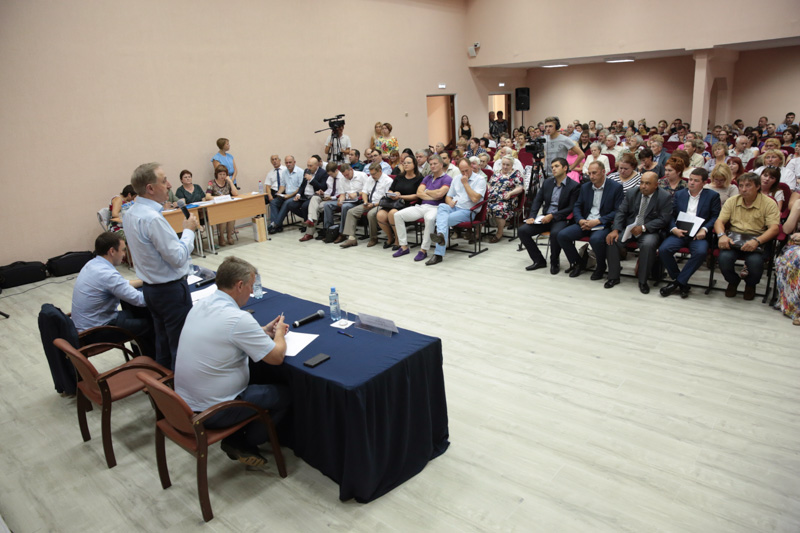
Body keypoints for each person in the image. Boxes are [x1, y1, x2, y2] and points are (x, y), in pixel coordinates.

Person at [174, 256, 289, 466]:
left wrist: (262, 331)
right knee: (283, 395)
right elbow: (276, 357)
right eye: (251, 286)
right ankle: (242, 442)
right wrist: (279, 333)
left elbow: (225, 335)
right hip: (213, 411)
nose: (252, 292)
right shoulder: (238, 318)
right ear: (239, 285)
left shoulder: (201, 304)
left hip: (184, 404)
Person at [122, 162, 199, 369]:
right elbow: (178, 258)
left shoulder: (130, 213)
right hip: (170, 291)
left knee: (163, 343)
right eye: (164, 181)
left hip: (151, 289)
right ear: (150, 188)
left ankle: (162, 384)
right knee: (180, 346)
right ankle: (179, 387)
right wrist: (188, 230)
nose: (169, 185)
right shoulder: (152, 219)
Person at [71, 232, 155, 357]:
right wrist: (164, 293)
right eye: (123, 250)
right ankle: (153, 361)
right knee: (150, 325)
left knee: (138, 313)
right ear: (112, 251)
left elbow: (121, 285)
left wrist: (145, 281)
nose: (124, 254)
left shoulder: (92, 264)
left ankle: (142, 355)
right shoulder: (107, 274)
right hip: (95, 332)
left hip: (86, 326)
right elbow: (140, 300)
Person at [714, 172, 781, 300]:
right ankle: (733, 281)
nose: (743, 189)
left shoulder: (769, 203)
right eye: (741, 186)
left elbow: (774, 229)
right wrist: (722, 235)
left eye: (748, 185)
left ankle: (750, 284)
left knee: (755, 263)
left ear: (758, 186)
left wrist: (757, 241)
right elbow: (719, 222)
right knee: (723, 259)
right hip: (734, 239)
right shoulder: (732, 200)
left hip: (757, 240)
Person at [604, 171, 673, 293]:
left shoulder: (664, 197)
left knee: (648, 244)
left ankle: (643, 281)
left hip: (649, 231)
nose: (643, 186)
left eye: (647, 183)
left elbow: (664, 219)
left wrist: (643, 228)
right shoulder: (632, 193)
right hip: (630, 228)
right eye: (641, 183)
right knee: (612, 240)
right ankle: (613, 277)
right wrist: (615, 229)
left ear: (656, 185)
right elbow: (621, 212)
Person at [658, 168, 721, 298]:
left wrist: (705, 229)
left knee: (701, 252)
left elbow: (715, 217)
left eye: (696, 181)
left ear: (704, 183)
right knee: (664, 249)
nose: (691, 183)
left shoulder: (712, 196)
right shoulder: (680, 194)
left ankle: (677, 283)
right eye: (690, 179)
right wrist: (673, 229)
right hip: (680, 232)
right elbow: (671, 214)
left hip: (699, 234)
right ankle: (682, 283)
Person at [557, 161, 623, 280]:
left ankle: (601, 266)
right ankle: (579, 263)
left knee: (596, 239)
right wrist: (580, 220)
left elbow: (617, 211)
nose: (591, 176)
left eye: (594, 173)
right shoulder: (585, 187)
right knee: (562, 235)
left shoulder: (615, 187)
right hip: (586, 221)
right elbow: (577, 206)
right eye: (589, 173)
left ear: (603, 172)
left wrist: (598, 221)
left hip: (603, 224)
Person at [518, 158, 580, 274]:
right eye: (552, 167)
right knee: (522, 231)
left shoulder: (574, 186)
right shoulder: (547, 182)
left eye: (556, 166)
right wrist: (532, 216)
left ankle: (554, 261)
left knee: (555, 233)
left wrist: (553, 215)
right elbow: (538, 200)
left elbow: (571, 207)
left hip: (561, 218)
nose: (553, 169)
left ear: (565, 168)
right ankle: (539, 260)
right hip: (545, 217)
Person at [426, 159, 487, 266]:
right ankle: (440, 236)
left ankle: (438, 253)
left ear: (471, 167)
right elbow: (448, 197)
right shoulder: (456, 178)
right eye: (462, 171)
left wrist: (465, 183)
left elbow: (475, 199)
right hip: (454, 207)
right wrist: (450, 202)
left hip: (468, 211)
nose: (464, 173)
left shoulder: (480, 180)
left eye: (466, 170)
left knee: (443, 221)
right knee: (442, 206)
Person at [392, 154, 452, 261]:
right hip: (422, 206)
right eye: (431, 164)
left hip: (437, 207)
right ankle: (404, 246)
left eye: (435, 164)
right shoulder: (427, 178)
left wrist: (427, 191)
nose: (432, 166)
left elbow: (440, 194)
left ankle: (423, 250)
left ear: (441, 164)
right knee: (397, 215)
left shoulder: (447, 178)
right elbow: (419, 193)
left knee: (429, 219)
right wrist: (432, 194)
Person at [339, 163, 393, 248]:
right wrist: (365, 201)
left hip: (381, 204)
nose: (372, 176)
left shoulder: (388, 181)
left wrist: (374, 204)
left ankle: (373, 238)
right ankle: (351, 238)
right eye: (371, 174)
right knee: (351, 212)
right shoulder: (370, 178)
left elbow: (387, 198)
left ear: (380, 171)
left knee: (371, 214)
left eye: (374, 174)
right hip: (369, 202)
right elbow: (364, 192)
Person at [376, 155, 422, 249]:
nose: (406, 165)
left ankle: (398, 239)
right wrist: (392, 194)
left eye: (408, 163)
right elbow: (390, 189)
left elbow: (417, 195)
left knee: (392, 213)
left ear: (414, 164)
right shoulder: (399, 177)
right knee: (380, 215)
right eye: (404, 163)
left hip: (408, 203)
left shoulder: (419, 178)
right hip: (394, 202)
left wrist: (400, 196)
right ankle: (390, 237)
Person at [300, 162, 344, 242]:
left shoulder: (342, 178)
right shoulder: (330, 177)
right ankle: (310, 219)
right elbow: (330, 190)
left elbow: (342, 194)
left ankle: (310, 233)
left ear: (336, 170)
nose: (330, 176)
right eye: (329, 174)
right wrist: (323, 193)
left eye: (331, 174)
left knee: (316, 208)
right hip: (328, 197)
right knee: (314, 198)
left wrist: (331, 197)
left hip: (337, 199)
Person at [325, 164, 368, 242]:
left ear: (351, 170)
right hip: (347, 200)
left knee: (345, 206)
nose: (346, 177)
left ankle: (342, 233)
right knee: (327, 205)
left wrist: (357, 194)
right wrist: (340, 200)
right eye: (344, 175)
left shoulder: (362, 175)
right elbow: (342, 194)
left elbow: (368, 190)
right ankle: (329, 231)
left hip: (359, 200)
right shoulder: (342, 179)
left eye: (347, 174)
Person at [486, 156, 524, 243]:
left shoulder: (516, 174)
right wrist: (488, 189)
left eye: (508, 165)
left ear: (512, 165)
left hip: (507, 200)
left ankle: (499, 233)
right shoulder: (496, 173)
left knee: (498, 209)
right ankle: (476, 234)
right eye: (503, 164)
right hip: (492, 199)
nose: (505, 167)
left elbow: (520, 188)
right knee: (481, 207)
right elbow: (490, 184)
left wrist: (510, 193)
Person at [775, 200, 800, 325]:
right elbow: (786, 229)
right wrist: (797, 208)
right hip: (796, 246)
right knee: (792, 259)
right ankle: (793, 306)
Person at [267, 155, 304, 233]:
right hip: (286, 195)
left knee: (287, 203)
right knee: (274, 202)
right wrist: (279, 193)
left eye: (290, 162)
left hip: (297, 196)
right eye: (286, 163)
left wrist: (289, 196)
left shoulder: (300, 172)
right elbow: (282, 185)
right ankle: (276, 225)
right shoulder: (284, 172)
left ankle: (275, 224)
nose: (288, 164)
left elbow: (300, 188)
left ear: (294, 162)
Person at [205, 166, 239, 247]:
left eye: (224, 174)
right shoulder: (211, 182)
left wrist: (230, 181)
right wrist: (218, 197)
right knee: (223, 218)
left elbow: (235, 193)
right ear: (216, 174)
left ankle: (229, 236)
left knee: (232, 217)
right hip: (217, 207)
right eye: (220, 174)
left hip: (227, 206)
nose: (222, 176)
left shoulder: (227, 182)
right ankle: (221, 237)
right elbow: (207, 196)